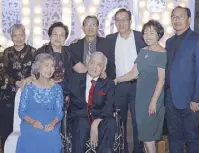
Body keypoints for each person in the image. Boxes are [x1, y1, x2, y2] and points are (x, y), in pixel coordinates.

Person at [114, 20, 166, 153]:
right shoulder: (143, 51)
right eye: (146, 33)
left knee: (149, 138)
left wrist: (153, 102)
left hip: (153, 99)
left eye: (152, 33)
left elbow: (161, 80)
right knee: (143, 137)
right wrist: (117, 79)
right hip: (141, 98)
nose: (148, 36)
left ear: (159, 35)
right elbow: (133, 73)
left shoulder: (162, 53)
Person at [165, 6, 199, 153]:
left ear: (189, 19)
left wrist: (196, 98)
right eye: (174, 17)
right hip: (170, 98)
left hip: (190, 100)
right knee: (174, 136)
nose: (176, 20)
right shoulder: (169, 42)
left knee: (191, 137)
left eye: (181, 16)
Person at [106, 8, 146, 153]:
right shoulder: (109, 39)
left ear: (130, 21)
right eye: (118, 20)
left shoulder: (141, 37)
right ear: (115, 22)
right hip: (118, 87)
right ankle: (122, 149)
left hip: (138, 85)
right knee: (119, 122)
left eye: (124, 19)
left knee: (138, 122)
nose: (121, 23)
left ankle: (138, 150)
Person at [64, 52, 116, 153]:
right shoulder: (74, 80)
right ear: (87, 63)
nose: (94, 67)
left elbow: (108, 108)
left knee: (110, 122)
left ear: (103, 68)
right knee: (82, 124)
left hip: (99, 118)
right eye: (92, 63)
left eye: (99, 65)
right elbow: (57, 88)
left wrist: (96, 123)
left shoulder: (108, 84)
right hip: (79, 118)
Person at [16, 53, 64, 153]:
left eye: (52, 66)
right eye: (46, 65)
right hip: (30, 122)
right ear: (38, 67)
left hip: (51, 121)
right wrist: (33, 122)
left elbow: (59, 113)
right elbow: (22, 112)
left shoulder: (57, 89)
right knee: (34, 134)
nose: (50, 69)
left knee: (51, 135)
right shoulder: (28, 87)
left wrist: (52, 124)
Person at [0, 24, 36, 150]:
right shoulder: (7, 52)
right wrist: (16, 82)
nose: (18, 38)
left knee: (27, 125)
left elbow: (37, 72)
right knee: (6, 126)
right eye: (15, 35)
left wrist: (27, 80)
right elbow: (2, 71)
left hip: (27, 93)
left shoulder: (33, 51)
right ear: (11, 37)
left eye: (21, 35)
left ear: (25, 36)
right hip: (8, 94)